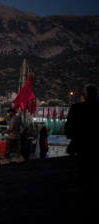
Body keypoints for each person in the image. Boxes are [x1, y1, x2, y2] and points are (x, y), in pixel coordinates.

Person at [65, 84, 99, 215]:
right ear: (96, 95)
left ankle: (87, 204)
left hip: (83, 148)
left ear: (84, 96)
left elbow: (69, 130)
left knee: (85, 176)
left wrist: (76, 139)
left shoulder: (76, 108)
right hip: (96, 147)